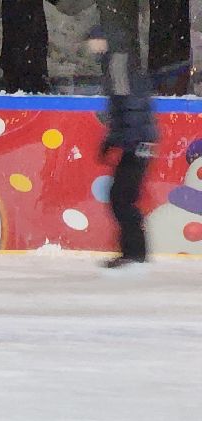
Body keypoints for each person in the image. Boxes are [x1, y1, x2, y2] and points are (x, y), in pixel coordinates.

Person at [87, 25, 157, 271]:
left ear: (104, 41)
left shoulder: (118, 64)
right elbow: (124, 108)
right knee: (122, 197)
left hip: (137, 143)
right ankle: (135, 252)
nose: (91, 47)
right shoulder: (117, 63)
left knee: (121, 198)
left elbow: (131, 106)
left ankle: (135, 253)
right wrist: (116, 139)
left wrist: (122, 140)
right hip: (137, 142)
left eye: (94, 41)